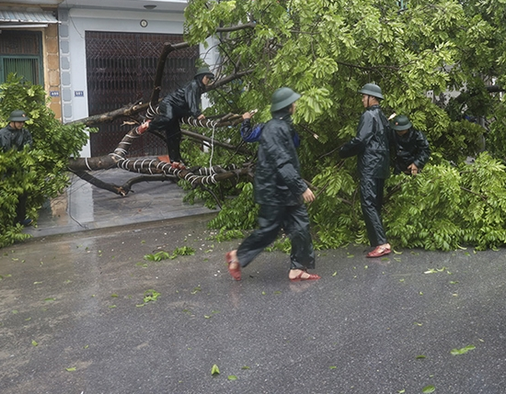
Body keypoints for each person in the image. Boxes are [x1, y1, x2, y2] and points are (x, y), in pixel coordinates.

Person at [225, 87, 319, 282]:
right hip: (274, 191)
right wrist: (301, 187)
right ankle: (237, 256)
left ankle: (298, 268)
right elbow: (282, 162)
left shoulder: (283, 126)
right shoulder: (275, 129)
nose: (295, 105)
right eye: (293, 102)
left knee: (301, 226)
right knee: (269, 231)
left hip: (285, 190)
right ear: (287, 107)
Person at [340, 83, 392, 258]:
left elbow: (360, 140)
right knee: (375, 204)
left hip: (370, 166)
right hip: (381, 166)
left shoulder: (369, 115)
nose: (362, 99)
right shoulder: (383, 117)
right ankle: (378, 242)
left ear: (372, 98)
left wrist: (343, 151)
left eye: (364, 96)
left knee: (368, 203)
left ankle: (382, 243)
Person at [141, 65, 214, 166]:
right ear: (201, 77)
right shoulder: (194, 85)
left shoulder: (199, 88)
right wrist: (197, 114)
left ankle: (175, 161)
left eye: (209, 79)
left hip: (177, 110)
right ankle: (149, 125)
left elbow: (192, 102)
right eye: (207, 78)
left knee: (175, 135)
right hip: (169, 104)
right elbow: (191, 101)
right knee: (168, 118)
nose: (208, 80)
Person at [0, 110, 34, 225]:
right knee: (5, 196)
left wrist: (21, 154)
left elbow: (29, 144)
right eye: (19, 122)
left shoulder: (24, 133)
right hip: (4, 171)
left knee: (22, 195)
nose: (21, 124)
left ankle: (21, 219)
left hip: (19, 170)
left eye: (23, 122)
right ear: (12, 121)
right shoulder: (0, 135)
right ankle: (5, 222)